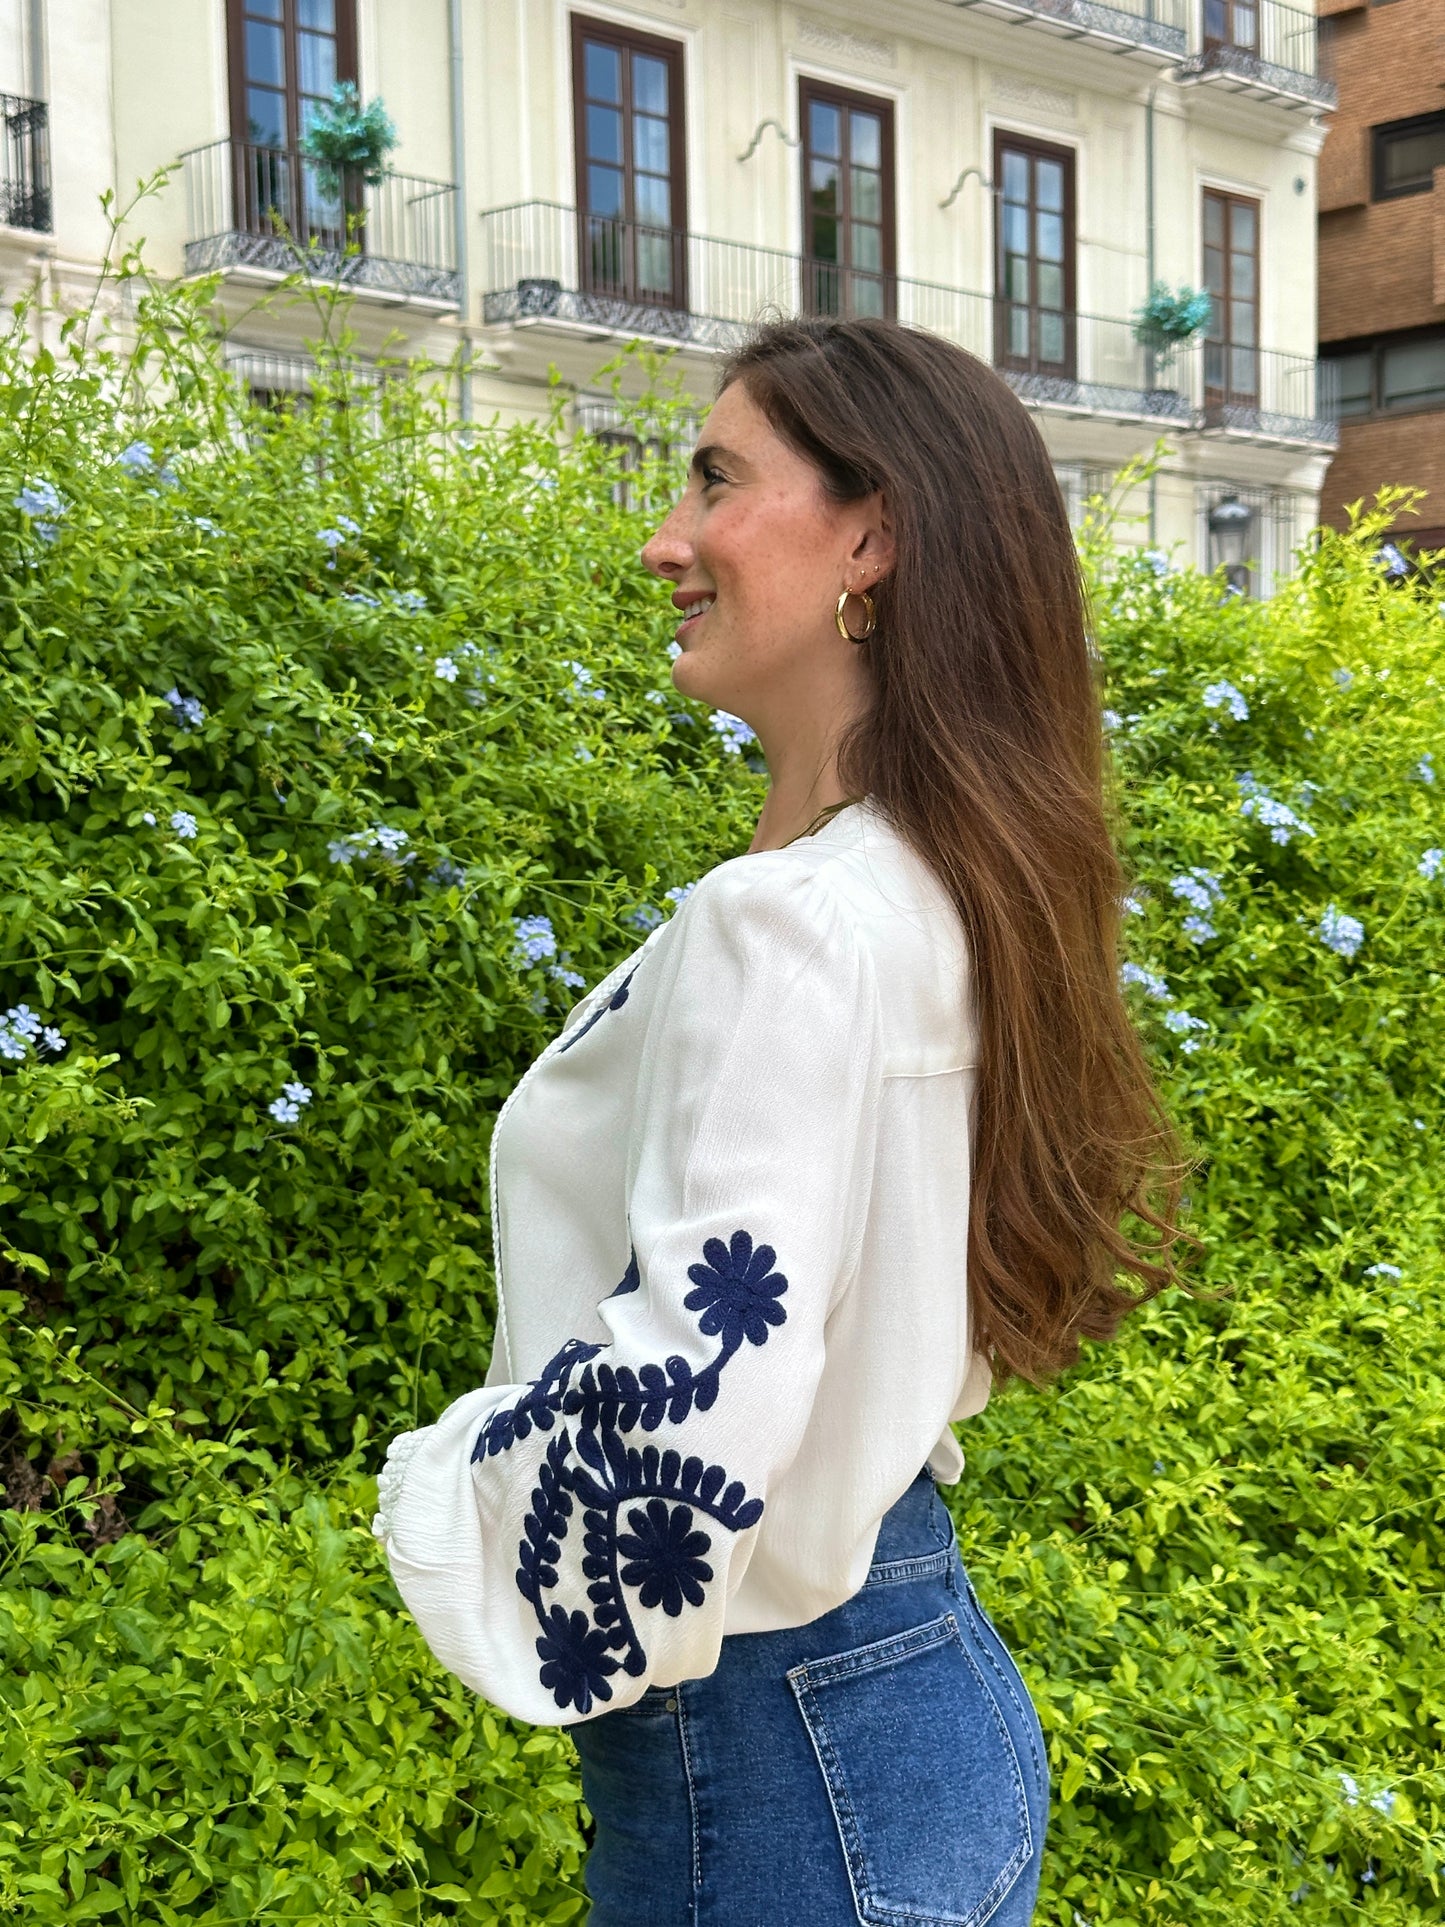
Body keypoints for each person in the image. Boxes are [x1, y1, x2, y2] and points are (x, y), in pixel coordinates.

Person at [372, 317, 1195, 1926]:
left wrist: (438, 1481)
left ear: (871, 535)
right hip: (906, 1715)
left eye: (715, 479)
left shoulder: (801, 925)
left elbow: (694, 1412)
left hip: (776, 1773)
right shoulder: (947, 886)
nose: (662, 536)